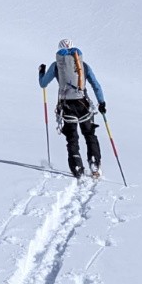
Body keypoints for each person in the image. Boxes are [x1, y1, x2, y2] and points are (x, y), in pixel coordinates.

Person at [38, 39, 106, 180]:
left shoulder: (57, 65)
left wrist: (41, 73)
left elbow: (43, 84)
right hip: (83, 105)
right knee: (89, 135)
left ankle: (76, 167)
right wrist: (101, 103)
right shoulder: (83, 65)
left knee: (72, 138)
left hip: (67, 106)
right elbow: (96, 85)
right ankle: (94, 163)